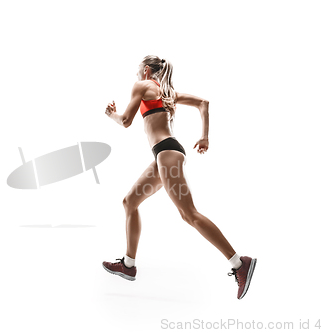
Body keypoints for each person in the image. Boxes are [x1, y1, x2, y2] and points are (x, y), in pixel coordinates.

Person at [102, 55, 256, 300]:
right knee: (129, 202)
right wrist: (204, 137)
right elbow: (203, 103)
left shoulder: (142, 86)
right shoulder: (167, 92)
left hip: (167, 154)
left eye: (137, 71)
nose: (136, 76)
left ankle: (240, 263)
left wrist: (111, 114)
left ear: (145, 71)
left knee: (188, 213)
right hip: (164, 155)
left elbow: (126, 121)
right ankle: (128, 265)